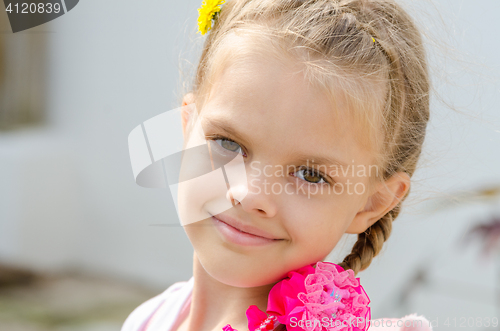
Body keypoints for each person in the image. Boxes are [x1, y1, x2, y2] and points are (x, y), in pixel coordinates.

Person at [122, 0, 433, 330]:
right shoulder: (150, 318)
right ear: (187, 128)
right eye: (228, 143)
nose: (250, 194)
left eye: (310, 175)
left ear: (372, 203)